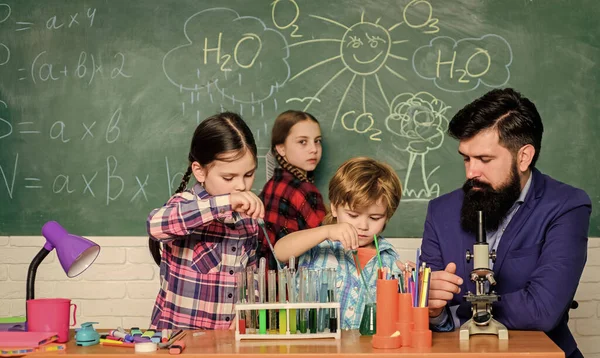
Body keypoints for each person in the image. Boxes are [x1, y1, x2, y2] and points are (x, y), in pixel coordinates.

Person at [420, 88, 591, 358]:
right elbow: (426, 307)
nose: (471, 172)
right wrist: (434, 310)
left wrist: (460, 310)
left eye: (484, 160)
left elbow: (543, 311)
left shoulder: (567, 206)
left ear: (524, 157)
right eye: (466, 158)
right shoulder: (440, 212)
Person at [147, 112, 264, 329]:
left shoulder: (248, 220)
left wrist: (247, 315)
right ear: (200, 172)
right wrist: (225, 202)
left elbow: (251, 275)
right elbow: (155, 225)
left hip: (225, 345)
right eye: (228, 178)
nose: (241, 186)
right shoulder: (184, 204)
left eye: (249, 174)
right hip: (178, 341)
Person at [274, 157, 403, 329]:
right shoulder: (317, 244)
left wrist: (406, 283)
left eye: (375, 218)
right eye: (353, 215)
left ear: (388, 215)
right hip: (313, 348)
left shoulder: (388, 258)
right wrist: (325, 231)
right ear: (334, 208)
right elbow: (280, 251)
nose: (363, 226)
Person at [259, 110, 326, 269]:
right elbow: (325, 239)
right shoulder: (304, 190)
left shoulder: (273, 183)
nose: (313, 149)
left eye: (317, 141)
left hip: (267, 278)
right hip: (297, 282)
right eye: (303, 142)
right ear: (281, 149)